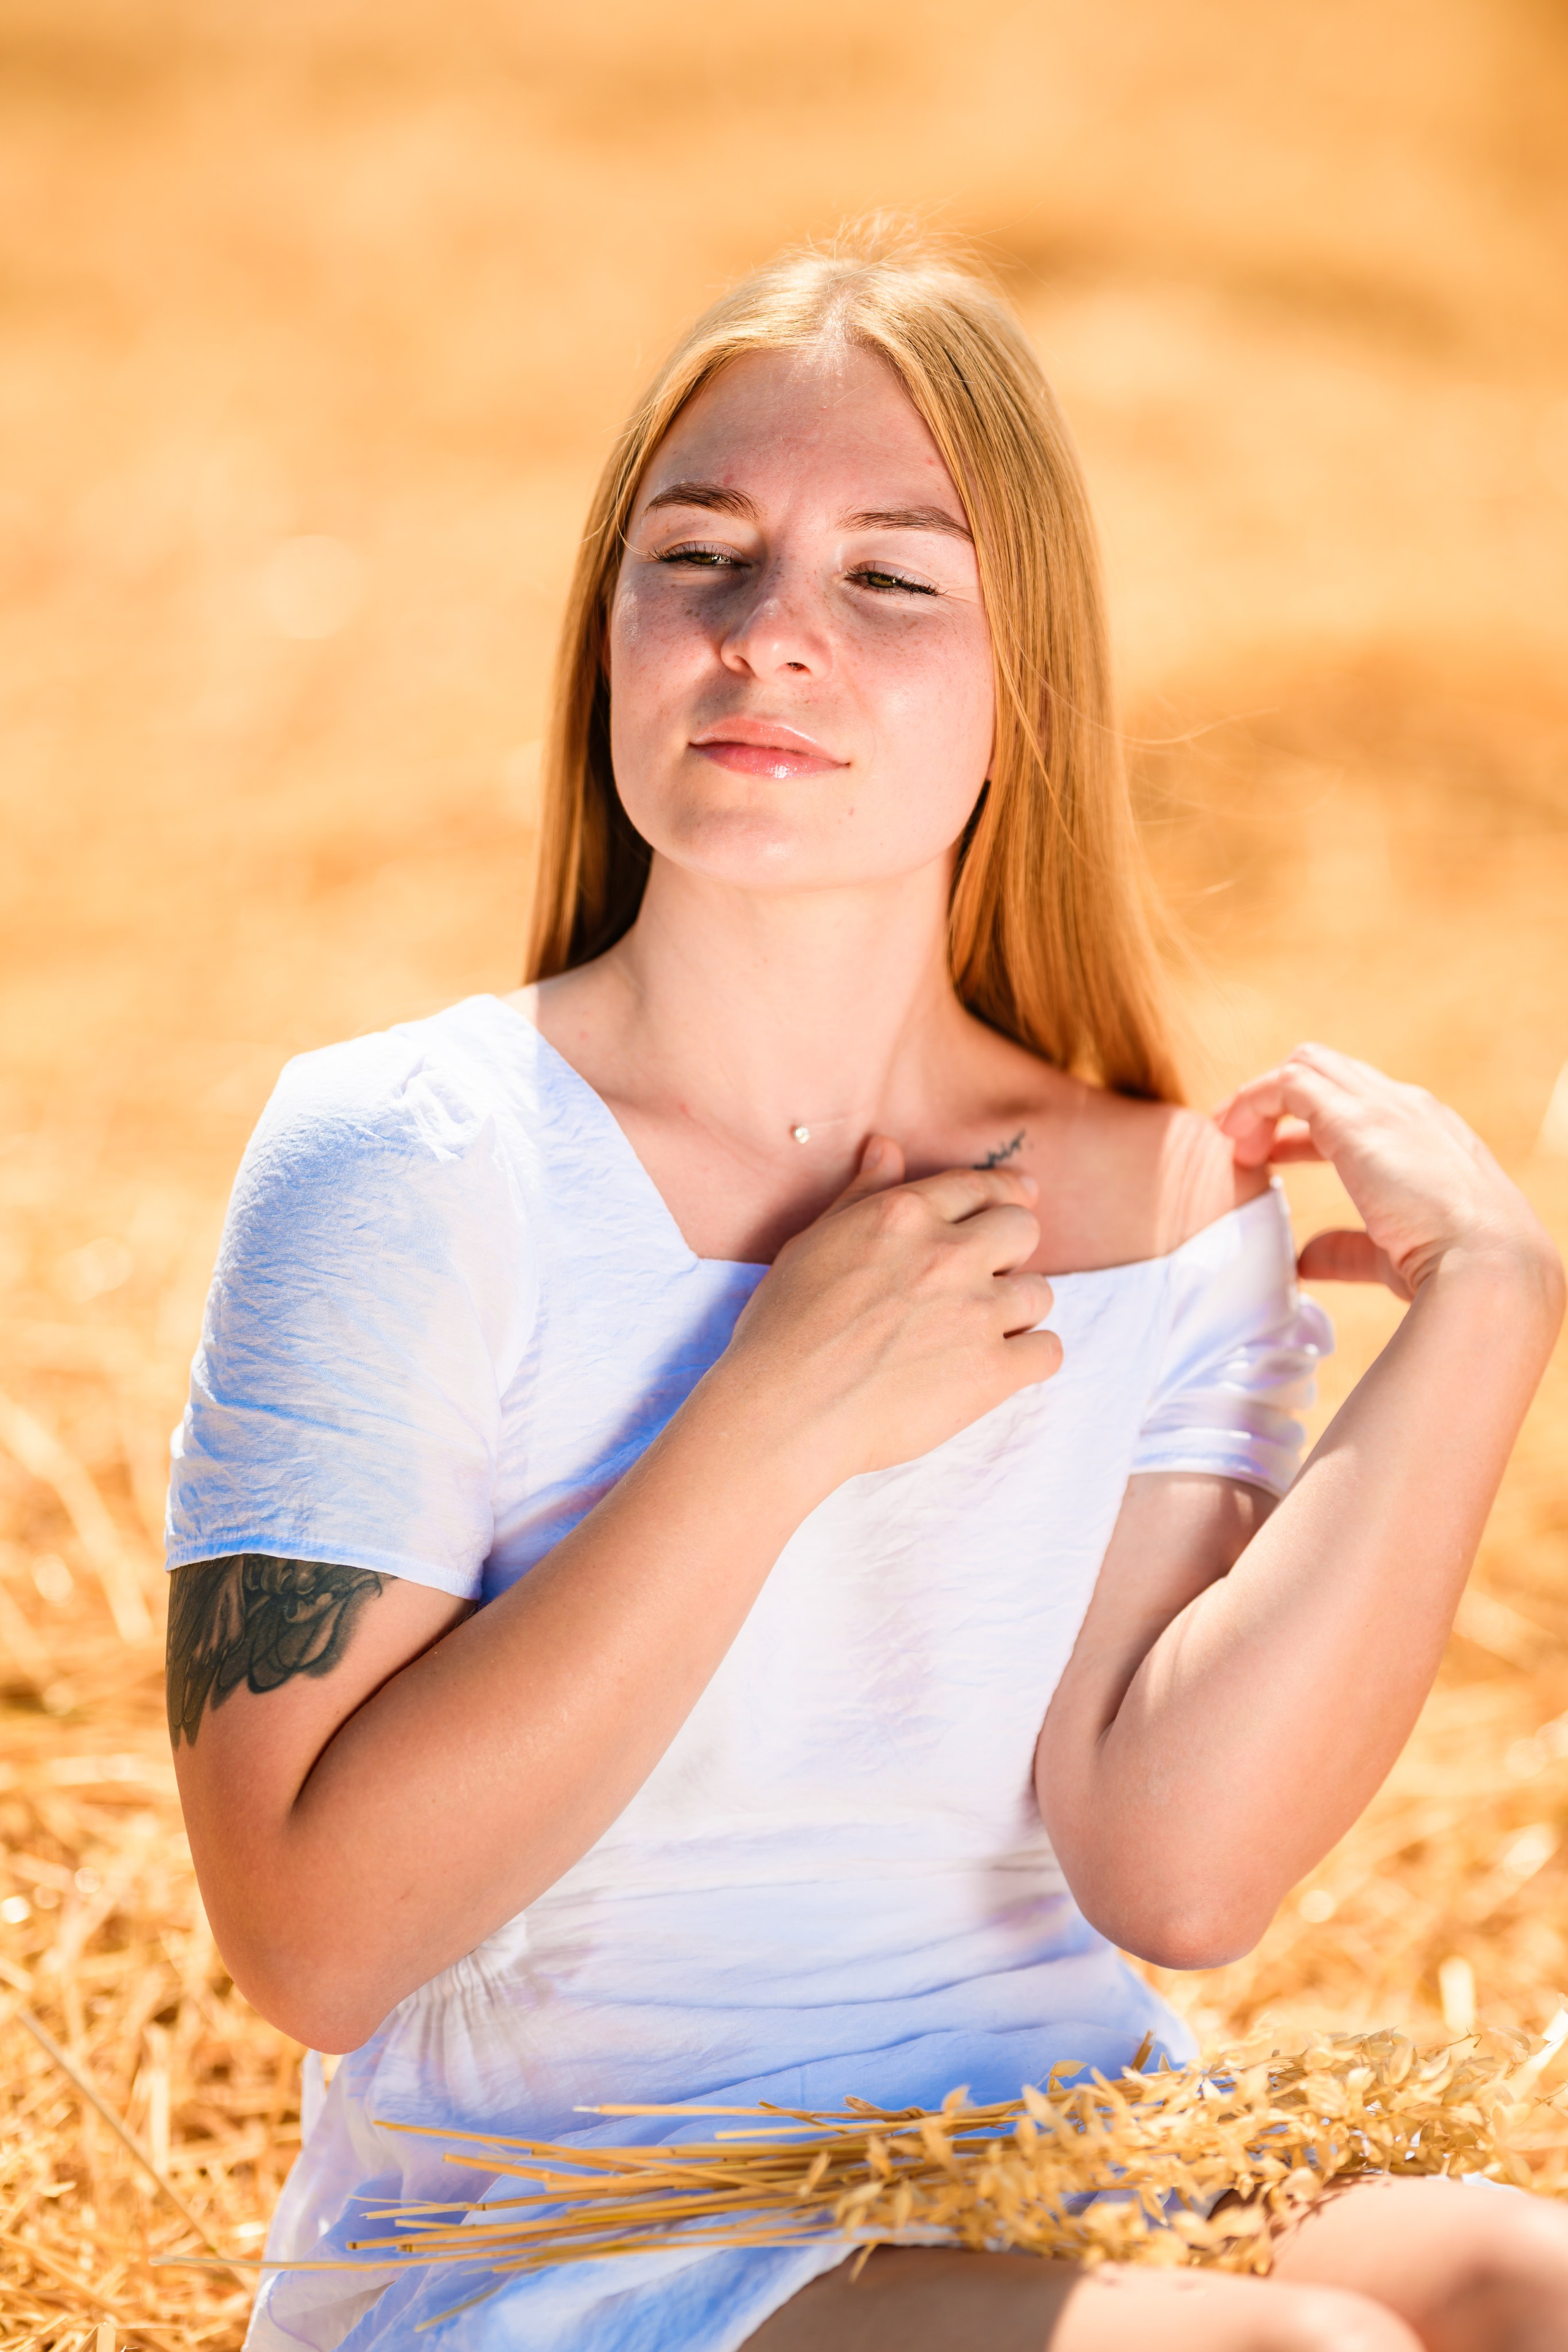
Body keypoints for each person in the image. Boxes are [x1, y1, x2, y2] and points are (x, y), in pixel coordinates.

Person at [165, 227, 1568, 2352]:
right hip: (557, 2231)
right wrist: (774, 1414)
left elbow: (1175, 1876)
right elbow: (315, 1939)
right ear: (609, 635)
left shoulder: (1168, 1199)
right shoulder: (411, 1154)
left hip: (1052, 2154)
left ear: (1030, 689)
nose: (768, 637)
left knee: (1511, 2286)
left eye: (890, 579)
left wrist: (1488, 1314)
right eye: (699, 556)